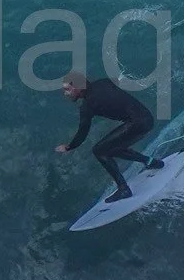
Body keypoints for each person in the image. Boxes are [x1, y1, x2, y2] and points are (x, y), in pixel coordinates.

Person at [56, 71, 162, 202]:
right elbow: (117, 80)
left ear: (78, 87)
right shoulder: (103, 82)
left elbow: (82, 132)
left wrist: (69, 147)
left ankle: (123, 189)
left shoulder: (87, 106)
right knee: (111, 148)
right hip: (146, 118)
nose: (65, 93)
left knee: (99, 151)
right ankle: (151, 162)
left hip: (137, 124)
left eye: (67, 89)